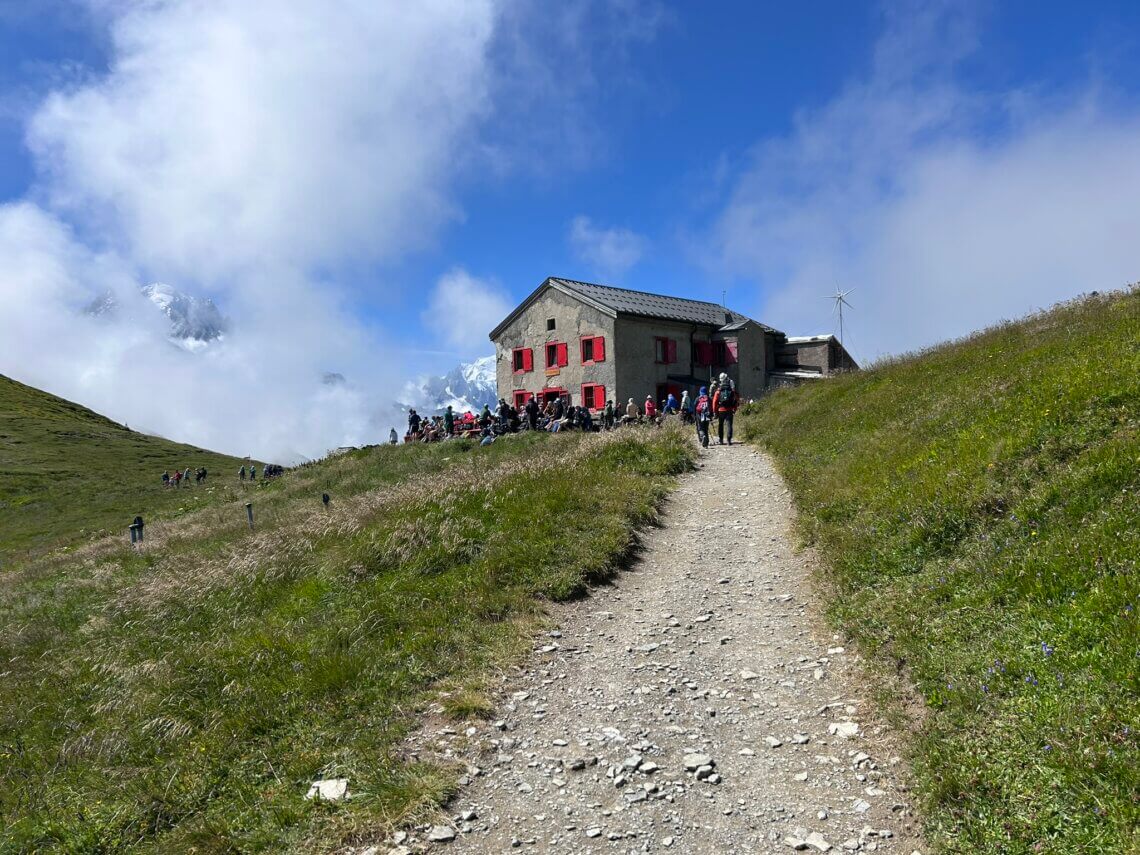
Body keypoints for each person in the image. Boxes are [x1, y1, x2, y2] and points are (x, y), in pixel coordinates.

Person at [712, 372, 738, 445]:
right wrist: (734, 409)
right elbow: (735, 400)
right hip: (729, 410)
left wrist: (714, 412)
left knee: (721, 425)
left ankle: (721, 440)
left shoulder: (718, 391)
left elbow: (714, 402)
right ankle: (729, 440)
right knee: (729, 425)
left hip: (721, 410)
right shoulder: (731, 391)